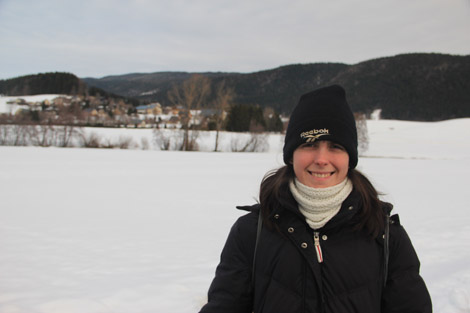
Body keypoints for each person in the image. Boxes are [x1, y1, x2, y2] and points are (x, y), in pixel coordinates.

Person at [199, 85, 432, 313]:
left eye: (335, 146)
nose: (321, 159)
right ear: (291, 155)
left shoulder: (385, 235)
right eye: (309, 144)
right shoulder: (251, 232)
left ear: (349, 158)